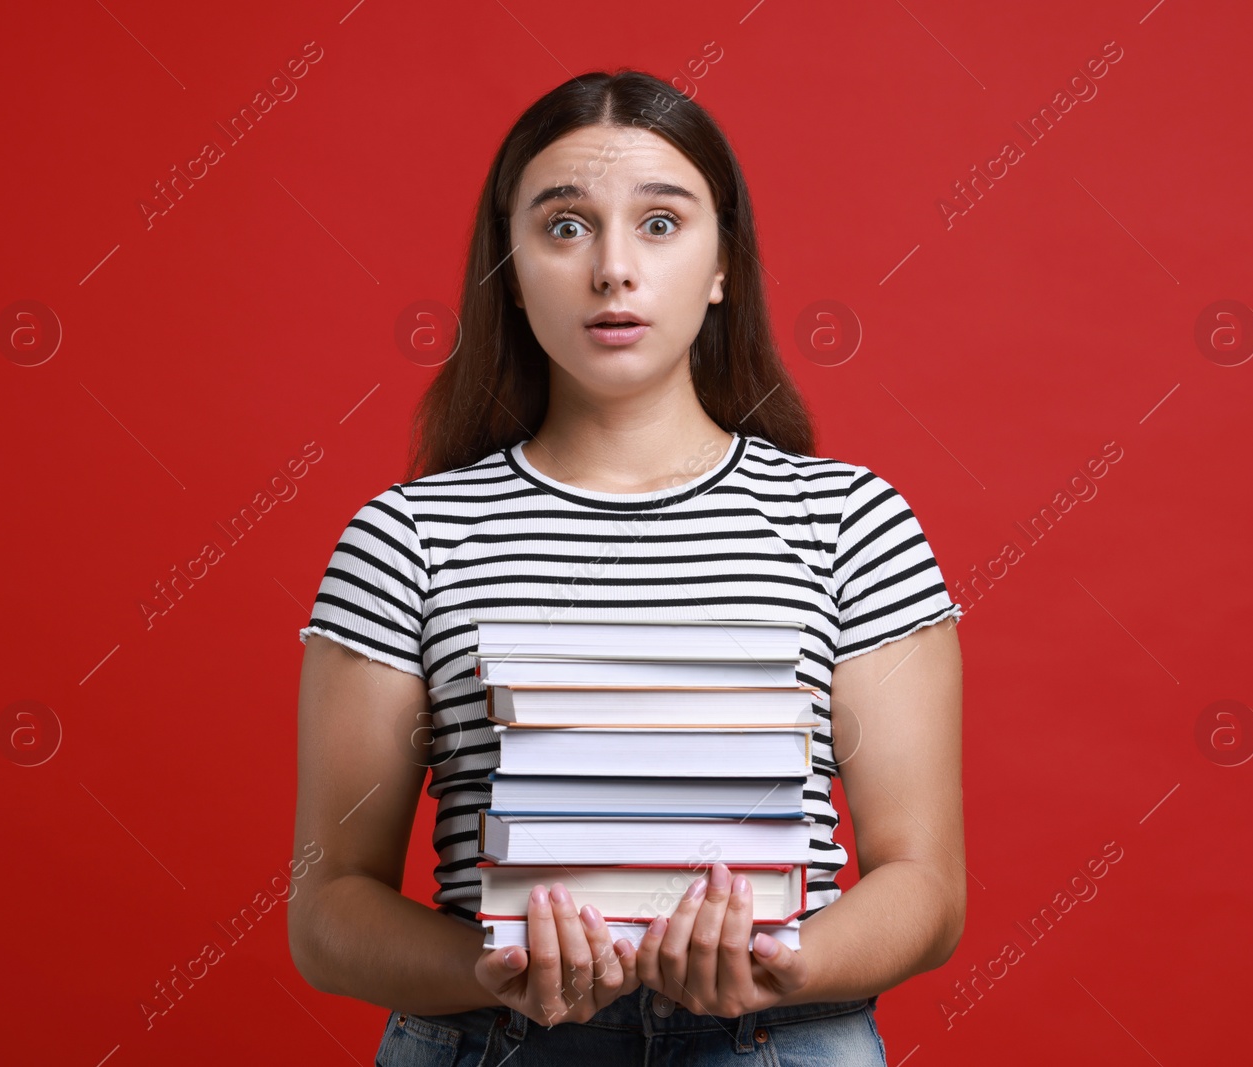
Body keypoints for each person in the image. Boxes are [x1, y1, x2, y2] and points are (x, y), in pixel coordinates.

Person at [288, 68, 966, 1066]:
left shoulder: (848, 521)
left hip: (781, 1039)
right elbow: (328, 905)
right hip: (495, 1041)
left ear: (722, 262)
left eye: (660, 223)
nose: (613, 268)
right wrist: (487, 966)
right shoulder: (409, 538)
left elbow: (926, 884)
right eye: (565, 226)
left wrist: (788, 962)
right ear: (510, 268)